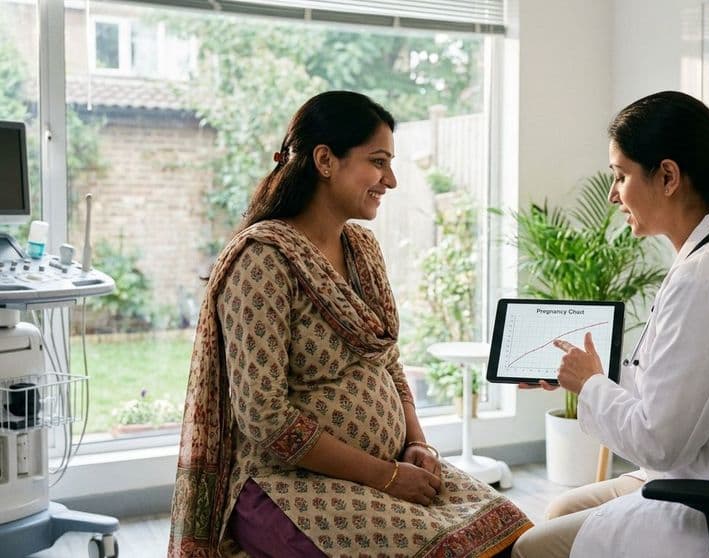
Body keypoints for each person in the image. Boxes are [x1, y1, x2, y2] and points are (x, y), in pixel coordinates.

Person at [168, 91, 531, 558]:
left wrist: (417, 445)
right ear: (325, 160)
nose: (392, 180)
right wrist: (387, 477)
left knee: (515, 535)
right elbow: (265, 418)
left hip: (389, 465)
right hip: (288, 484)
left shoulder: (363, 249)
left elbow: (387, 362)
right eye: (378, 161)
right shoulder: (262, 261)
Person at [512, 91, 709, 557]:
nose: (612, 194)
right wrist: (593, 375)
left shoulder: (707, 280)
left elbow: (661, 445)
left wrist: (592, 385)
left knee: (530, 550)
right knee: (562, 509)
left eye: (620, 176)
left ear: (667, 176)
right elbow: (679, 384)